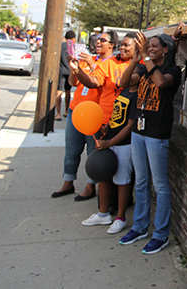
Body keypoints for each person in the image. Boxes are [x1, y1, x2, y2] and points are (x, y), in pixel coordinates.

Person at [118, 32, 182, 254]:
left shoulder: (173, 71)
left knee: (160, 185)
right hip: (139, 131)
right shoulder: (144, 67)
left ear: (166, 49)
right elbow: (123, 83)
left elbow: (161, 83)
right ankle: (139, 227)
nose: (151, 48)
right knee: (141, 182)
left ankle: (161, 234)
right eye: (149, 46)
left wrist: (146, 58)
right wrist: (135, 61)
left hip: (157, 134)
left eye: (155, 46)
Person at [71, 31, 135, 232]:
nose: (122, 49)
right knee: (103, 170)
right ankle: (103, 213)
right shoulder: (108, 64)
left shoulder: (141, 65)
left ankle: (120, 216)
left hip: (125, 126)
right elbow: (93, 82)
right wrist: (77, 71)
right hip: (104, 124)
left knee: (124, 175)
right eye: (122, 45)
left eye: (127, 46)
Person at [52, 31, 117, 201]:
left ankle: (90, 186)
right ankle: (68, 182)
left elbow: (109, 85)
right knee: (71, 150)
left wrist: (93, 65)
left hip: (94, 114)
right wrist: (75, 68)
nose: (97, 42)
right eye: (97, 39)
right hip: (76, 110)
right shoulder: (88, 59)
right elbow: (73, 83)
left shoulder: (113, 64)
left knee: (92, 151)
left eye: (102, 40)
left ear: (112, 44)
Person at [55, 30, 76, 120]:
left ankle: (58, 113)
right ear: (73, 39)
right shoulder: (74, 47)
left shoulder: (60, 46)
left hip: (60, 71)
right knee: (68, 92)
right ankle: (66, 111)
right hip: (70, 71)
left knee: (59, 91)